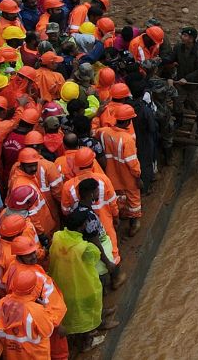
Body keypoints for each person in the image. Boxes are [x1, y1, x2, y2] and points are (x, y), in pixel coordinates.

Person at [49, 210, 115, 351]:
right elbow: (95, 257)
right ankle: (87, 342)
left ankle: (88, 332)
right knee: (85, 313)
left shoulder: (57, 237)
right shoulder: (85, 248)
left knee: (74, 314)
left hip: (62, 285)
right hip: (82, 286)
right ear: (82, 226)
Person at [98, 106, 142, 236]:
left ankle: (121, 215)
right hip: (128, 176)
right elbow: (132, 162)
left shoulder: (103, 132)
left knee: (118, 197)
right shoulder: (127, 139)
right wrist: (138, 177)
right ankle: (134, 224)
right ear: (128, 121)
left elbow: (94, 132)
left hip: (111, 174)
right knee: (134, 200)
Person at [0, 269, 56, 360]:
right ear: (33, 288)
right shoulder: (37, 310)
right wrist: (46, 309)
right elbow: (48, 331)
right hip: (35, 356)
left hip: (11, 356)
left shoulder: (1, 304)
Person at [172, 26, 198, 136]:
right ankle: (179, 121)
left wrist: (187, 79)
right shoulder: (178, 47)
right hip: (180, 83)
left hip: (194, 85)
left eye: (185, 35)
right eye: (183, 35)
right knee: (177, 103)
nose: (182, 37)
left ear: (191, 39)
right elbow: (172, 57)